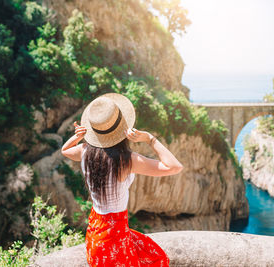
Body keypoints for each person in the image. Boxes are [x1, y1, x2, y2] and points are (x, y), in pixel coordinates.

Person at [61, 93, 183, 266]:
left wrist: (78, 136)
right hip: (115, 239)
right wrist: (150, 139)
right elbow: (174, 167)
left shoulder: (84, 152)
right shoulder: (127, 160)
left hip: (95, 236)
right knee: (157, 258)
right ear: (122, 129)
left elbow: (65, 150)